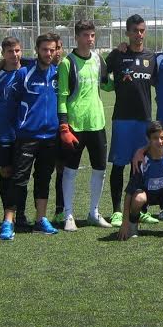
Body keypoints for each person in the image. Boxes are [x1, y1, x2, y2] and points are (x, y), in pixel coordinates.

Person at [1, 33, 63, 240]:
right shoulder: (24, 74)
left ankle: (40, 220)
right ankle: (8, 221)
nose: (48, 53)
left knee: (44, 179)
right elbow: (11, 105)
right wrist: (18, 128)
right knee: (19, 179)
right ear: (37, 50)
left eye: (52, 49)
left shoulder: (58, 74)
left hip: (50, 137)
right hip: (27, 136)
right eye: (44, 49)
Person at [57, 20, 112, 231]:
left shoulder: (98, 59)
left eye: (92, 35)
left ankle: (93, 213)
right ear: (77, 37)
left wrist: (125, 80)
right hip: (75, 126)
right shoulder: (67, 63)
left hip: (97, 123)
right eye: (85, 35)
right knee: (70, 171)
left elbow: (106, 84)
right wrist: (64, 127)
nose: (90, 39)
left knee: (100, 169)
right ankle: (68, 214)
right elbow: (62, 97)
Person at [104, 14, 156, 228]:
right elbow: (100, 71)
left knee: (141, 165)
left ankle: (141, 209)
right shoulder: (118, 55)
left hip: (144, 120)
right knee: (119, 165)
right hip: (122, 119)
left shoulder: (152, 57)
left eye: (142, 30)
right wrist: (115, 50)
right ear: (127, 33)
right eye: (135, 30)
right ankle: (117, 211)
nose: (139, 34)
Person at [120, 121, 163, 239]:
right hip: (147, 194)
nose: (159, 141)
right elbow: (129, 193)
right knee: (138, 198)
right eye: (155, 138)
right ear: (148, 139)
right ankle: (133, 224)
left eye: (162, 137)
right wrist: (125, 221)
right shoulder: (141, 159)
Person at [0, 37, 28, 229]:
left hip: (24, 132)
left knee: (21, 174)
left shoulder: (28, 72)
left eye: (17, 50)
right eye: (10, 51)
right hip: (2, 131)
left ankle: (21, 214)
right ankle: (7, 213)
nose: (14, 54)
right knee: (6, 171)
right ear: (3, 54)